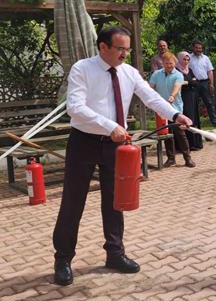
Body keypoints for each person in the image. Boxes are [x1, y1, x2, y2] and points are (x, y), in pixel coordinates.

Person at [52, 26, 193, 286]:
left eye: (127, 49)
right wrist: (110, 126)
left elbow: (151, 97)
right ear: (103, 47)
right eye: (120, 49)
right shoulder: (82, 69)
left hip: (116, 146)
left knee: (115, 201)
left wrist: (175, 115)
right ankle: (63, 259)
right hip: (84, 141)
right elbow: (75, 108)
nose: (125, 55)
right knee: (73, 201)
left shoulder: (129, 73)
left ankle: (115, 254)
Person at [150, 53, 195, 168]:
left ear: (175, 63)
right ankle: (171, 158)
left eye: (171, 63)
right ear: (163, 64)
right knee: (166, 134)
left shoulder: (178, 75)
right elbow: (150, 88)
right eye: (166, 63)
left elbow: (176, 87)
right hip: (162, 110)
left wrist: (171, 97)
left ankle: (187, 158)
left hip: (175, 108)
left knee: (180, 133)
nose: (169, 65)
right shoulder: (156, 74)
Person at [189, 40, 216, 127]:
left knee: (209, 102)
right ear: (193, 48)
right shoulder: (188, 58)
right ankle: (194, 122)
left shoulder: (206, 58)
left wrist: (211, 84)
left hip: (205, 83)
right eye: (197, 48)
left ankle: (214, 122)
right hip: (193, 83)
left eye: (200, 48)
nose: (199, 50)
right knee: (194, 103)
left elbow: (210, 71)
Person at [176, 51, 203, 150]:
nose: (186, 61)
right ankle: (186, 145)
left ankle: (195, 143)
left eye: (188, 59)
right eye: (184, 59)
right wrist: (191, 82)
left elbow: (196, 82)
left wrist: (188, 82)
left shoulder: (189, 70)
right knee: (186, 118)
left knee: (193, 118)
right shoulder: (176, 70)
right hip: (183, 97)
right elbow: (180, 82)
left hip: (192, 97)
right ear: (179, 59)